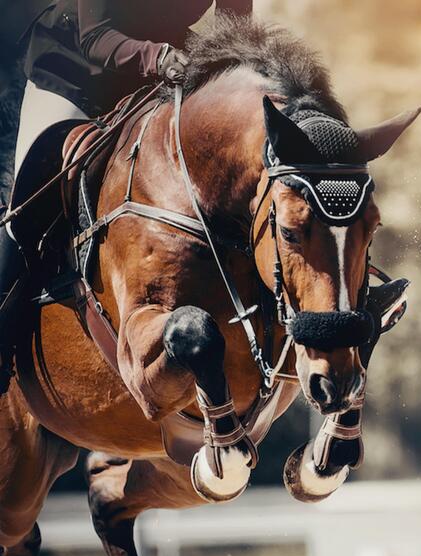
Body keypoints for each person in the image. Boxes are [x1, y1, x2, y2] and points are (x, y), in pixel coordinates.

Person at [0, 1, 253, 395]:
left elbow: (234, 34)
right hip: (73, 71)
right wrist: (160, 57)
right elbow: (96, 37)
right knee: (29, 202)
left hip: (154, 78)